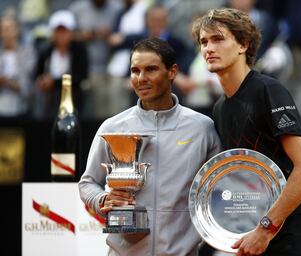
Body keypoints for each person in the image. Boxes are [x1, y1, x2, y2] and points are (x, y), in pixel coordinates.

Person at [192, 8, 301, 256]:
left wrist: (265, 229)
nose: (208, 48)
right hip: (254, 244)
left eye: (218, 39)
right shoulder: (220, 107)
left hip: (294, 244)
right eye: (204, 42)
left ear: (243, 44)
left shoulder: (269, 90)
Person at [78, 37, 222, 256]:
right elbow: (87, 183)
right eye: (135, 71)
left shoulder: (202, 128)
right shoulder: (113, 127)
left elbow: (217, 192)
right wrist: (104, 199)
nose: (141, 78)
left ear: (172, 72)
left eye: (151, 69)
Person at [32, 10, 88, 119]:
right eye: (58, 31)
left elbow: (81, 76)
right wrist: (41, 81)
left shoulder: (79, 50)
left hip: (73, 100)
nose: (61, 35)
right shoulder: (46, 51)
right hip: (48, 100)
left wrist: (55, 82)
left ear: (71, 32)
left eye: (65, 31)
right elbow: (37, 74)